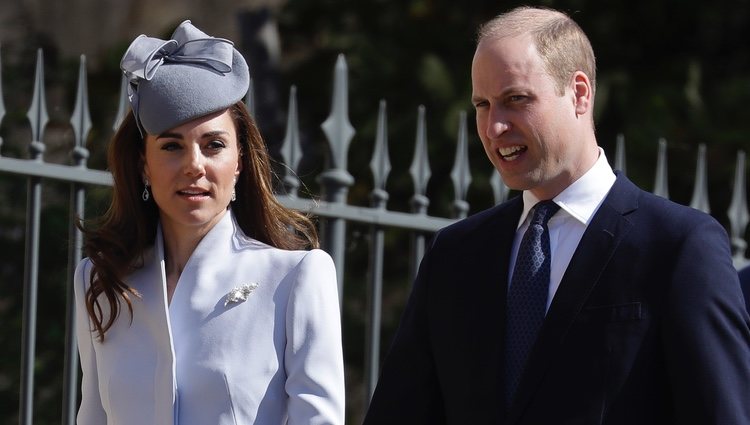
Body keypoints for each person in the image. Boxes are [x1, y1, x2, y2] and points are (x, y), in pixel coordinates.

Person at [363, 6, 750, 425]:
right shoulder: (454, 255)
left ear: (580, 93)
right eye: (482, 105)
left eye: (516, 99)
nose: (494, 127)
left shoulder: (678, 246)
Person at [74, 20, 345, 424]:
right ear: (143, 165)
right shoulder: (99, 280)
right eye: (171, 146)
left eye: (214, 145)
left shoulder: (296, 277)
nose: (194, 166)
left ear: (238, 162)